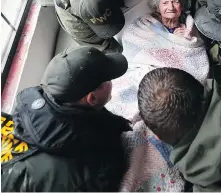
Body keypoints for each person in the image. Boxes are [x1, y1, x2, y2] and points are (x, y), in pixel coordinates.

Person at [1, 46, 131, 192]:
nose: (112, 82)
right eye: (109, 79)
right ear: (92, 98)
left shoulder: (42, 102)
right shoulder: (95, 169)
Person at [121, 0, 209, 82]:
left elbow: (197, 53)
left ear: (181, 4)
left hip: (173, 79)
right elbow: (132, 44)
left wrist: (186, 39)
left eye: (175, 2)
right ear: (157, 7)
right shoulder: (146, 23)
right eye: (165, 3)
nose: (170, 7)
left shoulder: (189, 26)